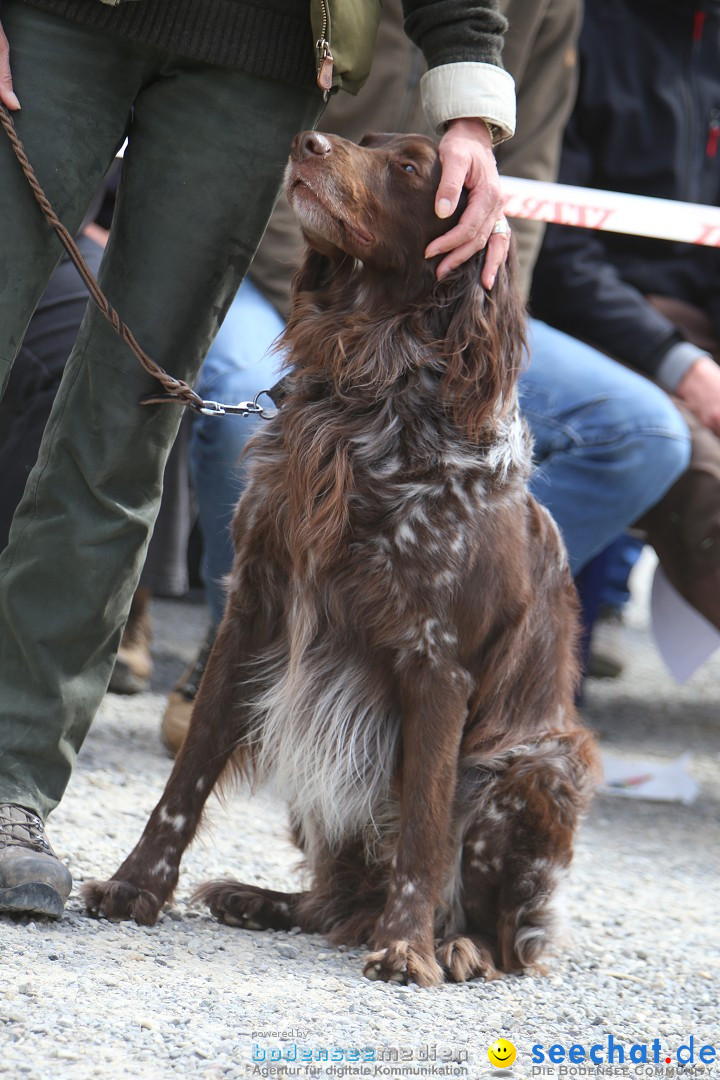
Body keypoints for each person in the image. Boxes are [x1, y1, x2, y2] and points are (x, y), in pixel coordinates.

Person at [0, 0, 517, 919]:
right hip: (51, 19)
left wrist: (468, 100)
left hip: (252, 55)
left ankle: (9, 789)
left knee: (124, 429)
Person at [160, 0, 691, 752]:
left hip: (433, 299)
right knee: (251, 402)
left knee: (643, 433)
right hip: (291, 274)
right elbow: (268, 137)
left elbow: (526, 180)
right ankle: (246, 654)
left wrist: (478, 323)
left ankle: (406, 649)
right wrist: (332, 308)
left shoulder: (554, 8)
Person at [531, 0, 720, 639]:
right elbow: (557, 254)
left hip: (697, 327)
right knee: (698, 473)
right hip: (593, 317)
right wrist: (682, 363)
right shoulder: (584, 27)